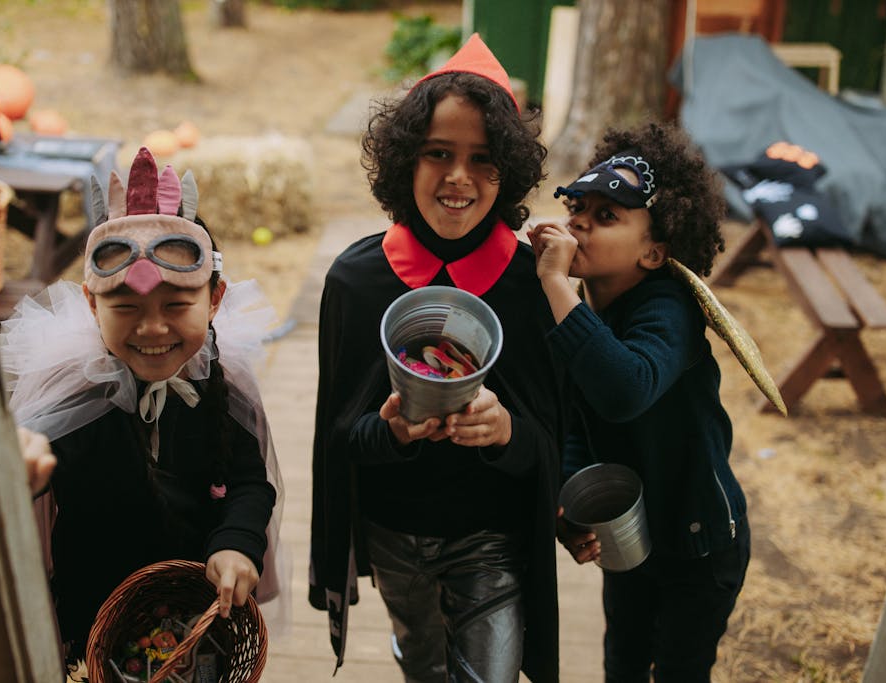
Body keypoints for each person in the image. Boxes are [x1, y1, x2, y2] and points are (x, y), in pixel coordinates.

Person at [310, 34, 564, 683]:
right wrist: (392, 431)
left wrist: (508, 431)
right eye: (438, 154)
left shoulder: (533, 286)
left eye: (483, 159)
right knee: (423, 661)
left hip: (492, 538)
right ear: (405, 162)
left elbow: (553, 438)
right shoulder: (357, 281)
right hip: (393, 536)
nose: (458, 177)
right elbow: (340, 438)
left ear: (509, 170)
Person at [0, 147, 288, 667]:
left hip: (197, 618)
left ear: (214, 297)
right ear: (92, 303)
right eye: (126, 308)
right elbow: (27, 477)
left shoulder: (221, 384)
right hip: (91, 625)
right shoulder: (71, 397)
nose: (153, 329)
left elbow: (248, 480)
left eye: (176, 306)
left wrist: (238, 543)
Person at [527, 123, 751, 682]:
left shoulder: (668, 309)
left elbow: (624, 391)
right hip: (634, 538)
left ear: (654, 252)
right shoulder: (584, 313)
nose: (578, 222)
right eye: (578, 206)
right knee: (622, 662)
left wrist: (555, 285)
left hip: (701, 544)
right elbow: (580, 416)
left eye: (607, 217)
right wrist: (572, 497)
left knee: (679, 670)